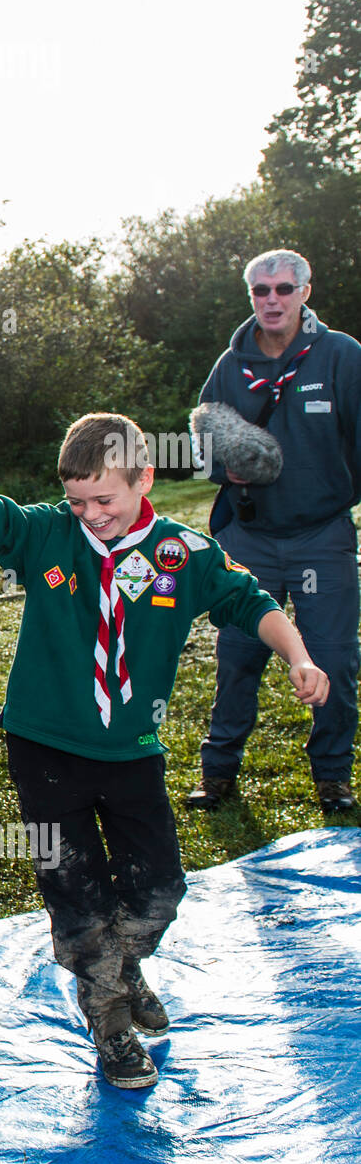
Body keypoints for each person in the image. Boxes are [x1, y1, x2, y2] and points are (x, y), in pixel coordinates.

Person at [0, 413, 328, 1089]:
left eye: (104, 500)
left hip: (132, 751)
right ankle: (109, 1022)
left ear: (145, 478)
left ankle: (122, 963)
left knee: (160, 889)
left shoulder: (184, 553)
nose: (90, 514)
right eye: (78, 500)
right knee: (76, 893)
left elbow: (251, 601)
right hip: (45, 749)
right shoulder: (49, 534)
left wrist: (298, 654)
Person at [187, 249, 361, 817]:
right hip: (250, 538)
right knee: (238, 656)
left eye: (284, 289)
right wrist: (222, 470)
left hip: (321, 537)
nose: (271, 300)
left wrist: (333, 496)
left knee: (333, 660)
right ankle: (217, 775)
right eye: (260, 291)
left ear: (305, 292)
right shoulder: (230, 365)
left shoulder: (340, 356)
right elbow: (201, 442)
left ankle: (333, 778)